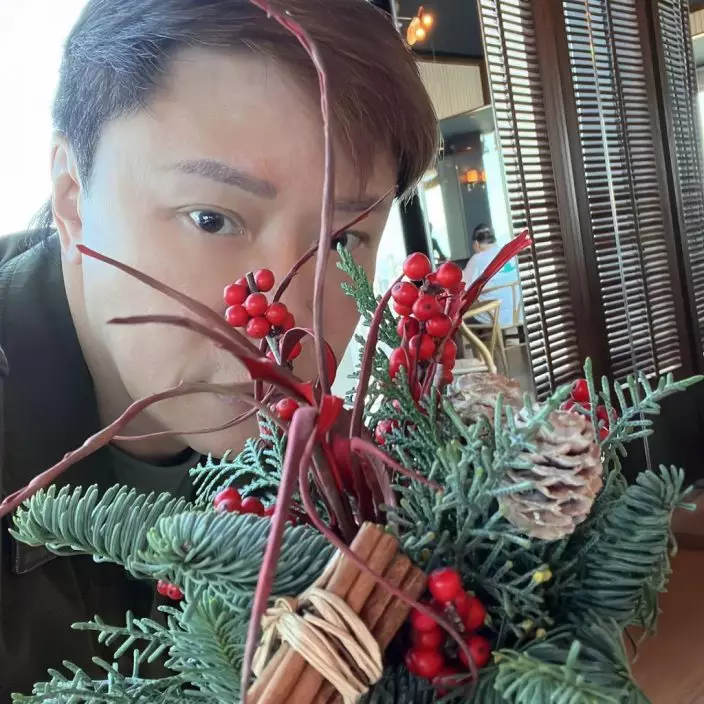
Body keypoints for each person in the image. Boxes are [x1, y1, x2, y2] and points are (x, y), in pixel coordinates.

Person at [0, 0, 437, 696]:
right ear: (74, 197)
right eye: (211, 219)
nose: (286, 318)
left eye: (341, 240)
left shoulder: (357, 489)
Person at [462, 223, 521, 327]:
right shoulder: (510, 252)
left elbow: (464, 288)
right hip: (519, 314)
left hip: (494, 317)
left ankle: (489, 338)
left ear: (476, 244)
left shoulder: (477, 259)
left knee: (459, 317)